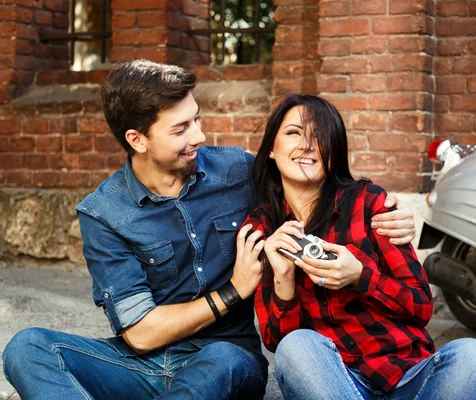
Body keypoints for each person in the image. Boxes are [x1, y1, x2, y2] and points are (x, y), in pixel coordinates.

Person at [2, 60, 416, 399]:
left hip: (226, 358)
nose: (199, 135)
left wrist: (386, 206)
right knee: (27, 348)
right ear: (137, 139)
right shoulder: (105, 213)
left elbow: (310, 172)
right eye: (180, 129)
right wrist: (232, 291)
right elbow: (142, 335)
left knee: (216, 365)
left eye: (196, 119)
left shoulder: (236, 170)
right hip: (139, 365)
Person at [244, 94, 476, 400]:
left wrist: (360, 277)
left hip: (407, 374)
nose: (307, 145)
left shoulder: (370, 203)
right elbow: (279, 344)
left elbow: (421, 306)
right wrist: (283, 277)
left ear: (334, 151)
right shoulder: (263, 227)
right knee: (296, 347)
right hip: (334, 381)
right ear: (272, 148)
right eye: (294, 132)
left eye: (319, 136)